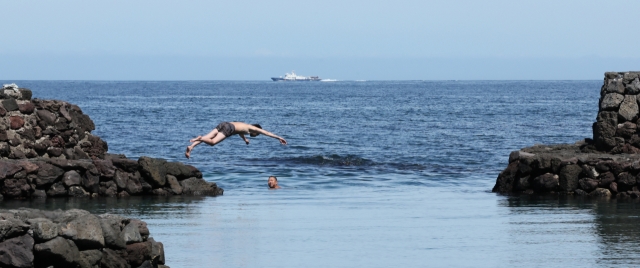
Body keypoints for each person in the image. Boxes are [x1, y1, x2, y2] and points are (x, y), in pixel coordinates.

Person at [185, 122, 287, 159]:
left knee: (208, 137)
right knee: (212, 143)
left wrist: (245, 139)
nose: (255, 135)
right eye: (257, 134)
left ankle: (191, 147)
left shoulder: (245, 125)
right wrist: (279, 137)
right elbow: (267, 133)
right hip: (229, 129)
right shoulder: (254, 128)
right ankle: (200, 137)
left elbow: (239, 131)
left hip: (224, 124)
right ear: (256, 129)